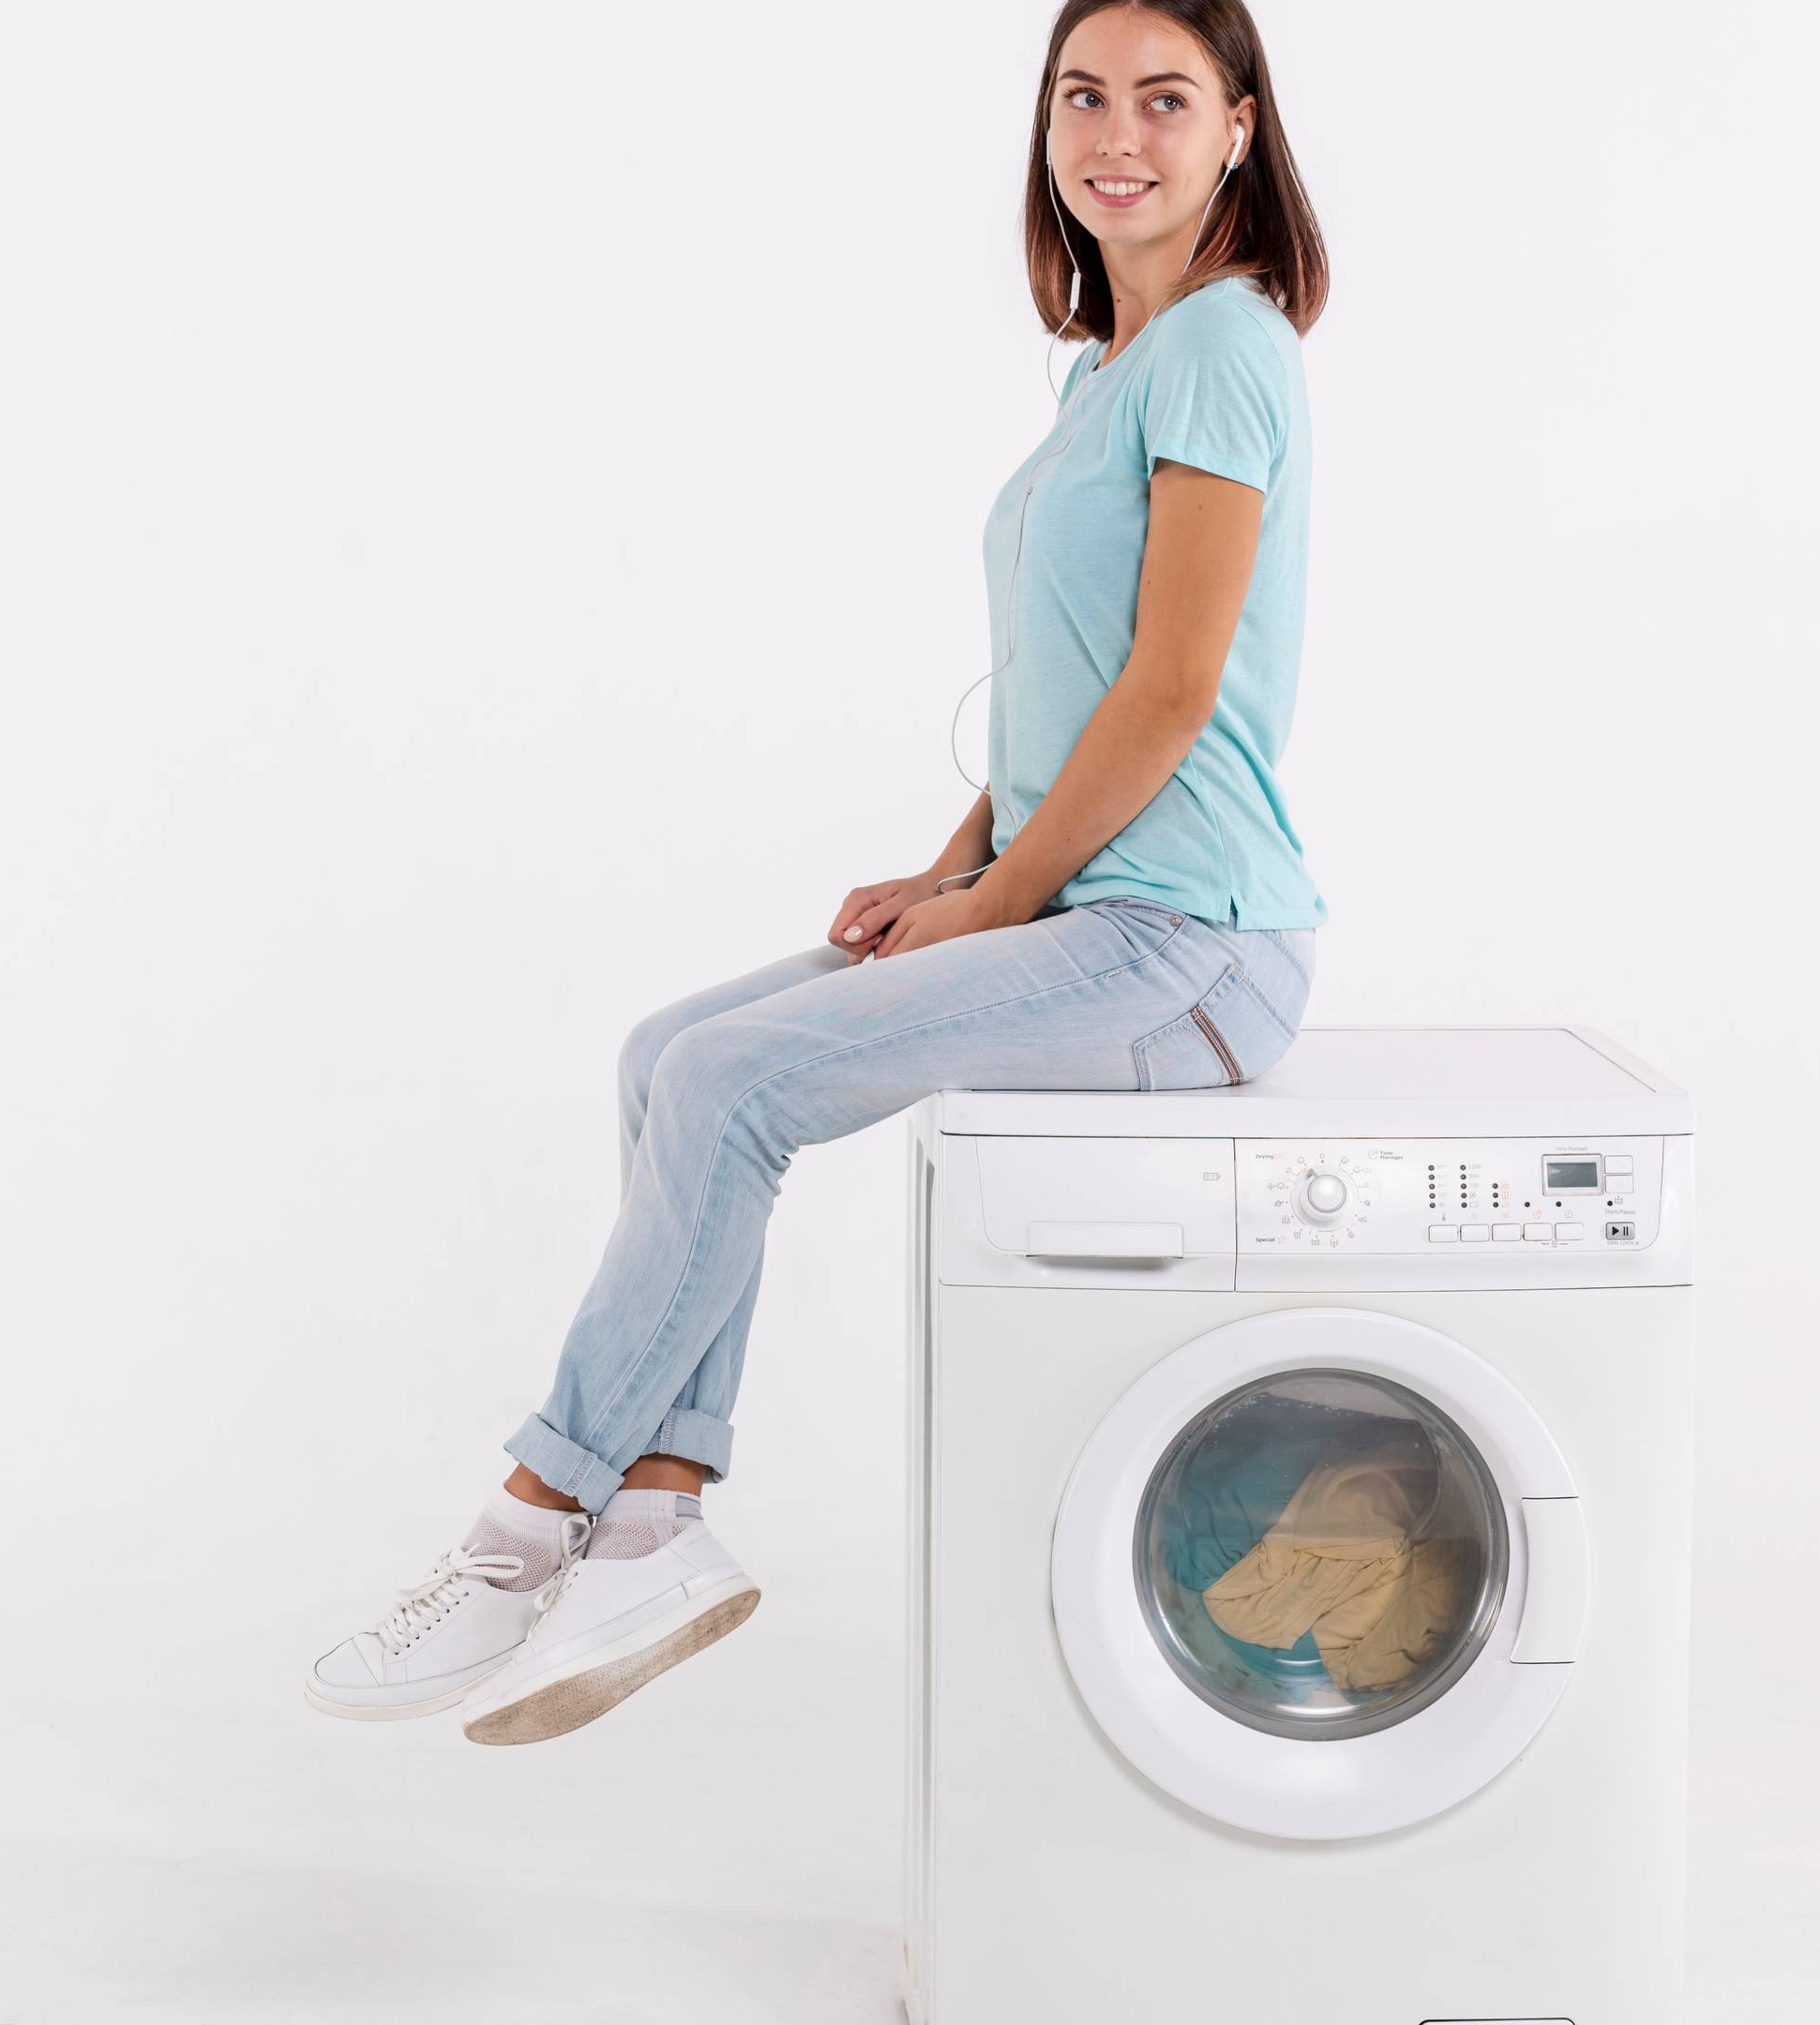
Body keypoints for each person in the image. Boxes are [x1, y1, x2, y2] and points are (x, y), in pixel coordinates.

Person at [303, 0, 1333, 1745]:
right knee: (667, 1056)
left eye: (1167, 99)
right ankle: (655, 1518)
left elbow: (1174, 693)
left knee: (729, 1084)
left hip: (1191, 950)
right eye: (1082, 96)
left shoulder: (1229, 347)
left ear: (1241, 126)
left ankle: (527, 1529)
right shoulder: (1107, 367)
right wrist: (947, 867)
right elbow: (1068, 689)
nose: (1116, 135)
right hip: (1084, 910)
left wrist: (990, 911)